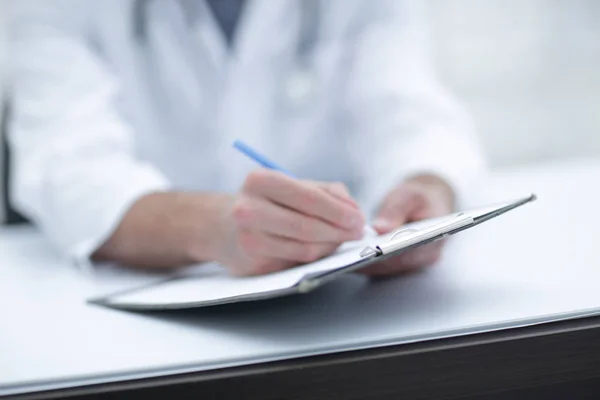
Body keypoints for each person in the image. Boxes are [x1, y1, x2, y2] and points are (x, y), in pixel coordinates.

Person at [5, 0, 487, 277]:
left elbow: (413, 111)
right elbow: (66, 168)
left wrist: (425, 191)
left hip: (338, 312)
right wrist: (210, 226)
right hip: (136, 323)